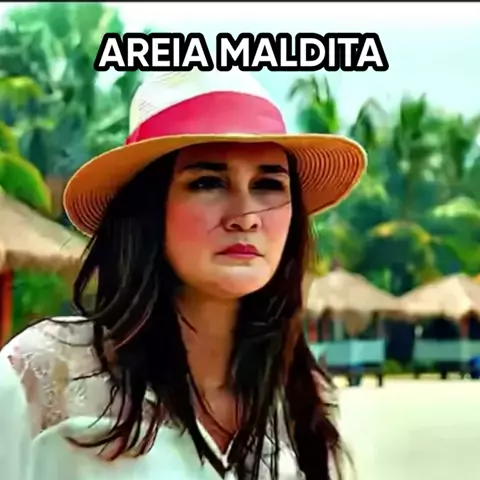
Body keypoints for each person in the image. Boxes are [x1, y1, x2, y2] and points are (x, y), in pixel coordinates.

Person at [0, 67, 366, 480]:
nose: (246, 216)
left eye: (268, 184)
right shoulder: (43, 377)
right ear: (149, 209)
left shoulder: (304, 399)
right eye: (208, 182)